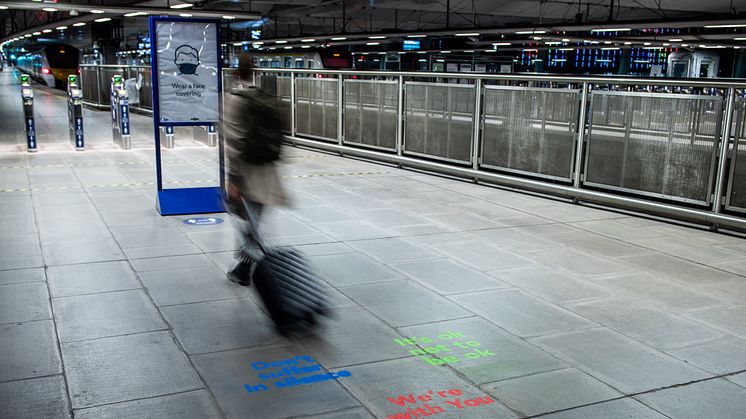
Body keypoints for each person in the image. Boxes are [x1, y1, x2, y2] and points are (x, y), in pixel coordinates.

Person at [222, 53, 289, 286]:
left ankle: (253, 264)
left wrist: (233, 179)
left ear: (234, 73)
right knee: (253, 220)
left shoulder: (233, 98)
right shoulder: (261, 97)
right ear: (254, 73)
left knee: (238, 213)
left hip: (246, 173)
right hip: (267, 172)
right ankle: (246, 264)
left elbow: (233, 142)